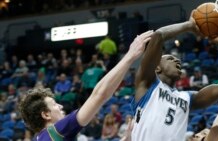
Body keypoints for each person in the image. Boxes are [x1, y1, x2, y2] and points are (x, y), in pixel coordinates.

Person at [19, 30, 154, 141]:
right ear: (46, 115)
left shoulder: (41, 138)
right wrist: (130, 55)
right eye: (54, 104)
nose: (60, 106)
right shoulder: (55, 131)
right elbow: (99, 95)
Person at [132, 11, 218, 141]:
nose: (177, 61)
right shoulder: (147, 84)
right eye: (170, 58)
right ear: (157, 67)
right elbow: (158, 36)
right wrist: (189, 25)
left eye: (178, 60)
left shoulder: (188, 98)